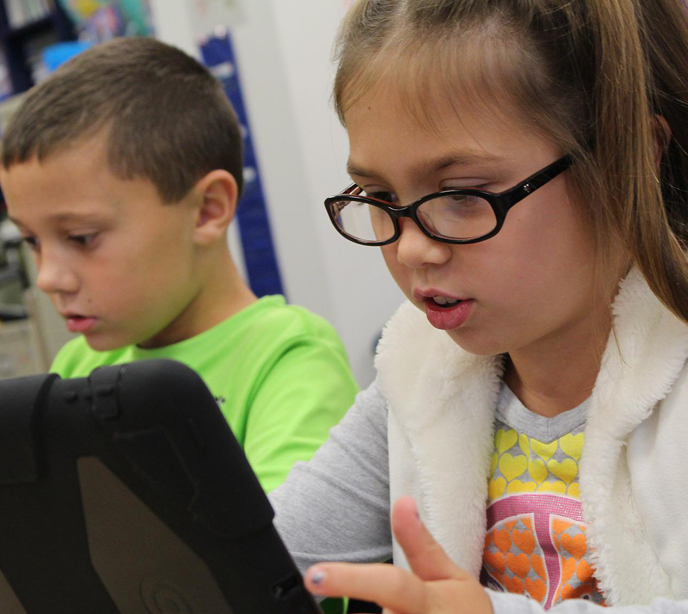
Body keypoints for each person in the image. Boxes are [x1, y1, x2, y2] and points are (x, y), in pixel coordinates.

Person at [269, 0, 688, 611]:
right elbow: (262, 557)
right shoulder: (420, 372)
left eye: (463, 195)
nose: (412, 247)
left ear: (630, 156)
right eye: (380, 195)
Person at [0, 37, 359, 494]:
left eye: (81, 237)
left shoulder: (286, 356)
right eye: (32, 240)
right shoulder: (79, 363)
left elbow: (280, 553)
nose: (49, 277)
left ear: (207, 210)